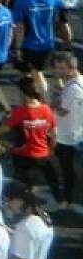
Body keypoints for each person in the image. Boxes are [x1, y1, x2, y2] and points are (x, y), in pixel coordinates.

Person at [0, 77, 61, 198]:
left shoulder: (21, 111)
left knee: (22, 186)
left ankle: (23, 203)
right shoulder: (46, 109)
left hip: (23, 155)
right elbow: (54, 133)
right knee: (52, 178)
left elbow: (4, 128)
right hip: (42, 154)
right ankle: (60, 199)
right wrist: (51, 150)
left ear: (24, 93)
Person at [10, 0, 71, 83]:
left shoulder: (20, 3)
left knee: (27, 77)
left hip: (29, 45)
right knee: (39, 72)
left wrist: (17, 48)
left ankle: (36, 98)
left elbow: (19, 29)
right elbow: (68, 3)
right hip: (47, 44)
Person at [52, 50, 81, 212]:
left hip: (66, 133)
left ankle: (66, 199)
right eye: (57, 68)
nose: (58, 72)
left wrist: (56, 96)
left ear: (71, 68)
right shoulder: (77, 82)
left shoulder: (72, 89)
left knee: (64, 166)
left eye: (62, 69)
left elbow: (62, 111)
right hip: (73, 130)